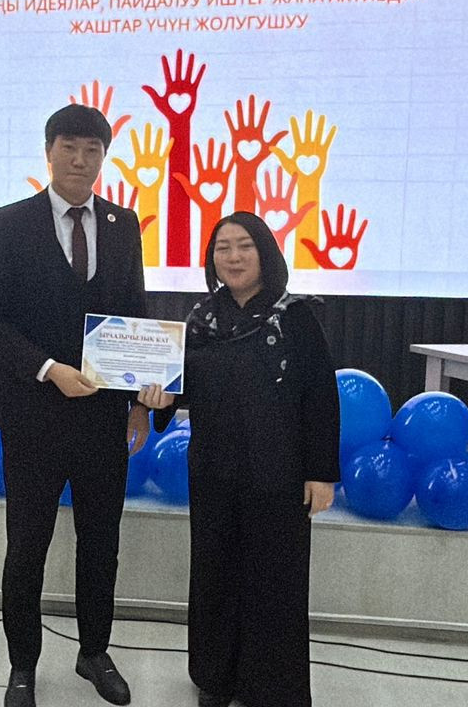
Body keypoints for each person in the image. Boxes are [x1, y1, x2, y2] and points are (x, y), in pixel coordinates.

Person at [0, 104, 156, 707]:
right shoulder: (9, 222)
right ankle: (22, 665)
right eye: (69, 148)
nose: (80, 160)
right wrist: (48, 369)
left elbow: (133, 315)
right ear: (49, 152)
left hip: (104, 418)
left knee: (101, 543)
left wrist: (139, 402)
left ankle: (93, 652)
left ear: (104, 157)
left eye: (92, 150)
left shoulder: (124, 224)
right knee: (27, 547)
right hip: (32, 415)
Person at [139, 212, 340, 707]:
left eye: (244, 246)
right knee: (215, 576)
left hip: (280, 473)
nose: (233, 257)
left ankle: (271, 689)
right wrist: (160, 400)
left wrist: (321, 474)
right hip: (214, 470)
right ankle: (216, 679)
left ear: (265, 253)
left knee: (275, 581)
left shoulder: (297, 317)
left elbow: (321, 397)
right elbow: (181, 389)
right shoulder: (199, 320)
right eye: (222, 248)